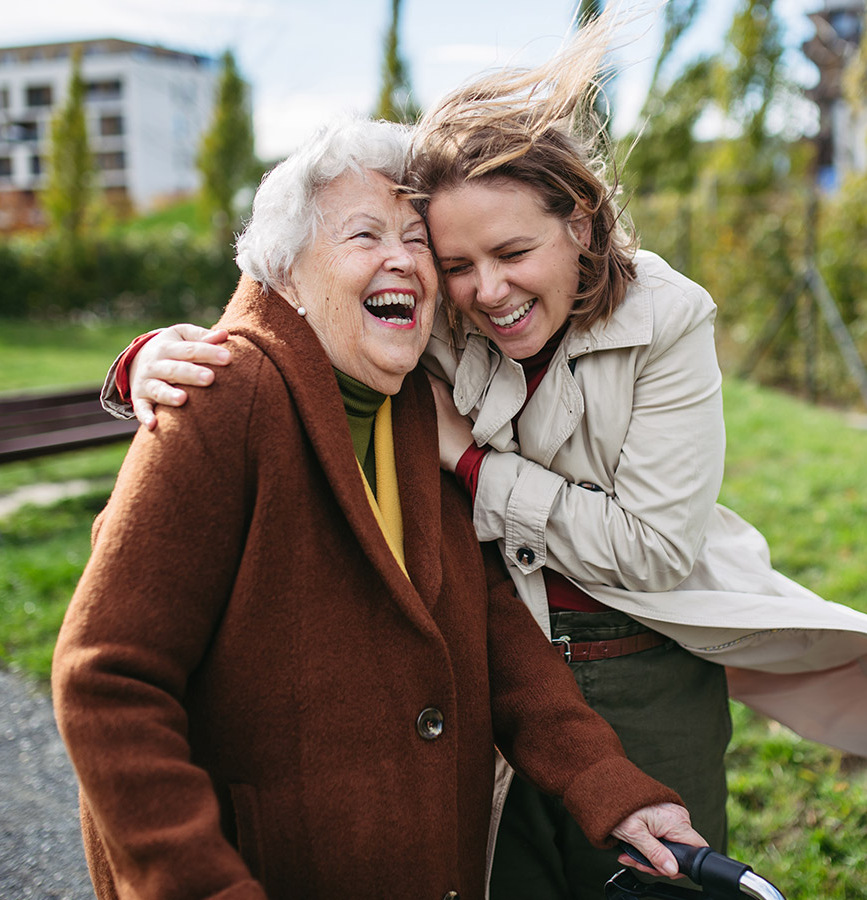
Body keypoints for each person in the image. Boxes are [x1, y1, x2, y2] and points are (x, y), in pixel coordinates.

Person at [98, 13, 867, 900]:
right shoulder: (427, 317)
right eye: (454, 259)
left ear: (580, 225)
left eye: (510, 252)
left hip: (641, 651)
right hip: (500, 663)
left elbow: (651, 549)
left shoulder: (668, 320)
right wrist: (151, 357)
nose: (484, 290)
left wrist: (472, 468)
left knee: (660, 879)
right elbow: (294, 297)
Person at [53, 115, 708, 900]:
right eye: (364, 234)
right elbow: (106, 680)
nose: (402, 258)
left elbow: (487, 618)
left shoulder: (408, 405)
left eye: (415, 237)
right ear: (285, 275)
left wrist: (612, 787)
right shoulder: (222, 395)